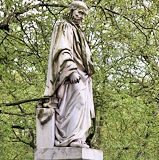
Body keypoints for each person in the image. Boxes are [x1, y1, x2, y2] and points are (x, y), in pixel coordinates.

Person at [43, 1, 95, 148]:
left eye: (84, 14)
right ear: (72, 11)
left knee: (83, 104)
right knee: (76, 100)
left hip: (83, 75)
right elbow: (62, 48)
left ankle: (78, 138)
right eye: (80, 13)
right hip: (70, 75)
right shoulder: (64, 25)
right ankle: (70, 137)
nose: (82, 17)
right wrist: (71, 70)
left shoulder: (77, 30)